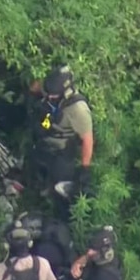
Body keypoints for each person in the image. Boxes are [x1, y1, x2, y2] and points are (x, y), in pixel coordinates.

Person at [28, 65, 94, 221]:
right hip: (44, 139)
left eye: (54, 96)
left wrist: (85, 168)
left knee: (61, 190)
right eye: (49, 94)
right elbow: (35, 88)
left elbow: (88, 140)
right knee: (33, 170)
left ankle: (61, 218)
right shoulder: (50, 88)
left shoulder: (78, 109)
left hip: (62, 149)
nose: (50, 97)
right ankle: (36, 195)